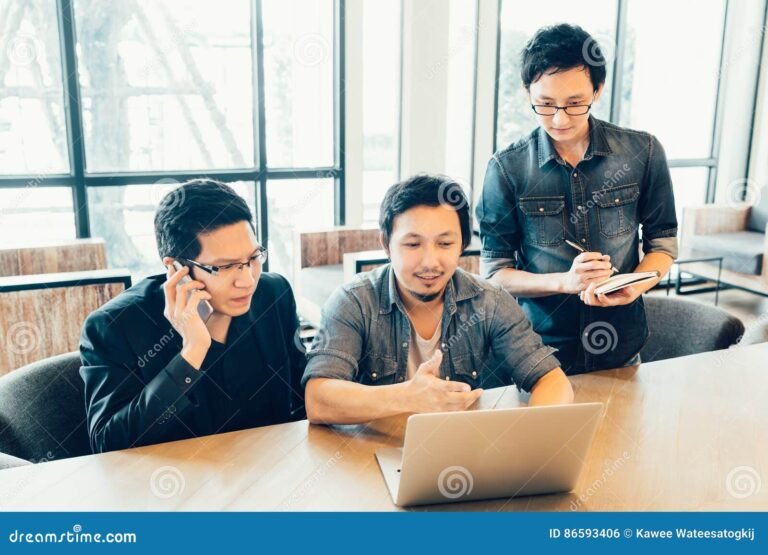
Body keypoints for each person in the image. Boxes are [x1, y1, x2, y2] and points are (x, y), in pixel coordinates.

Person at [476, 23, 678, 373]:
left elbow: (663, 245)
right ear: (527, 93)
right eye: (545, 104)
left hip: (622, 343)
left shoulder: (642, 152)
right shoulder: (507, 168)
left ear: (597, 90)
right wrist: (564, 282)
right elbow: (495, 274)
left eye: (574, 104)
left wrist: (637, 284)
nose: (559, 119)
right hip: (538, 350)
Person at [303, 174, 573, 425]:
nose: (430, 262)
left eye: (445, 244)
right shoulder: (353, 302)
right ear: (386, 244)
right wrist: (408, 396)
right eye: (412, 244)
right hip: (372, 454)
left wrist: (535, 435)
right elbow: (318, 400)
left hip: (461, 453)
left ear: (463, 245)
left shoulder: (489, 301)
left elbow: (550, 379)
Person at [80, 179, 305, 453]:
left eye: (253, 258)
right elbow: (108, 446)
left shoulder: (274, 294)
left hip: (270, 475)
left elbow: (302, 396)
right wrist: (192, 352)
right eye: (224, 267)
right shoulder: (114, 327)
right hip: (173, 487)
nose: (247, 280)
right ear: (176, 267)